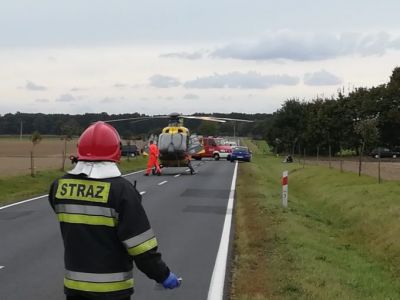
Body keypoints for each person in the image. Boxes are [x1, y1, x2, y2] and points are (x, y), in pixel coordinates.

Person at [48, 121, 180, 300]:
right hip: (112, 291)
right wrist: (163, 275)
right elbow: (141, 247)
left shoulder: (58, 187)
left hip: (74, 289)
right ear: (116, 151)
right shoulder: (122, 191)